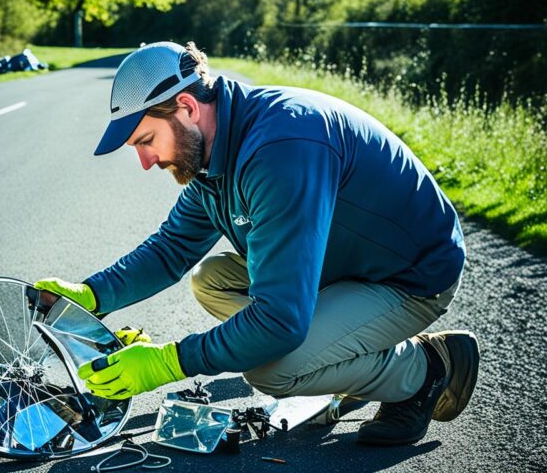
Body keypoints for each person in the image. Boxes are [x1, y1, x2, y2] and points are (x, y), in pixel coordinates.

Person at [35, 41, 480, 446]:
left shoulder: (279, 149)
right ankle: (346, 350)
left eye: (146, 141)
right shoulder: (214, 152)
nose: (147, 161)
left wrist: (167, 363)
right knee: (210, 280)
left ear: (187, 107)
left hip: (408, 277)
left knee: (274, 369)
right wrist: (93, 294)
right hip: (338, 264)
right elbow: (172, 248)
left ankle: (425, 368)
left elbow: (279, 322)